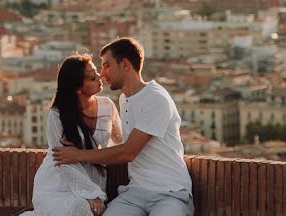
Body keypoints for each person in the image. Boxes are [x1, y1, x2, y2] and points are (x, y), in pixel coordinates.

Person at [53, 38, 194, 216]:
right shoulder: (124, 99)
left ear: (125, 65)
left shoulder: (156, 98)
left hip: (169, 192)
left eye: (106, 65)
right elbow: (117, 144)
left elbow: (128, 152)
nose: (102, 74)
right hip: (134, 194)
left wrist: (77, 155)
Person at [22, 54, 123, 216]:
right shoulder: (57, 115)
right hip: (58, 184)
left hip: (94, 180)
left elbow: (119, 143)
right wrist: (90, 194)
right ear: (78, 88)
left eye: (97, 72)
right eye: (92, 78)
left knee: (87, 208)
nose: (100, 77)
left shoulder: (107, 106)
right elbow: (63, 161)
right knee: (80, 207)